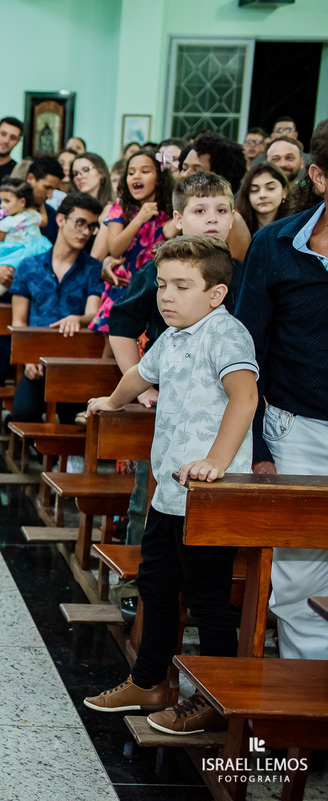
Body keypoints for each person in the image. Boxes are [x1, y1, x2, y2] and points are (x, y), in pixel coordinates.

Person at [85, 235, 256, 736]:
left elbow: (244, 398)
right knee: (157, 586)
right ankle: (149, 681)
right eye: (162, 285)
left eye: (182, 286)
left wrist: (216, 461)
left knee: (208, 601)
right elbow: (140, 374)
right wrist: (113, 401)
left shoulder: (226, 334)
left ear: (216, 294)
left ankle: (214, 699)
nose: (166, 296)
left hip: (210, 496)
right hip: (170, 493)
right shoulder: (173, 336)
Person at [108, 172, 243, 574]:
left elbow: (245, 388)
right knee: (148, 509)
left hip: (217, 435)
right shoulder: (162, 282)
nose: (212, 219)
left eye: (221, 210)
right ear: (179, 218)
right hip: (171, 425)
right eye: (200, 211)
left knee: (205, 558)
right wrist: (129, 393)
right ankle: (134, 584)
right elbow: (125, 333)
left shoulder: (238, 281)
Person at [235, 118, 328, 661]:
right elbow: (246, 352)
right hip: (298, 431)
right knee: (297, 584)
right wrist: (259, 446)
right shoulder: (275, 244)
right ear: (319, 177)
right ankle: (305, 694)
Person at [6, 193, 104, 426]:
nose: (85, 232)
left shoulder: (93, 268)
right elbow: (19, 321)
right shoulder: (29, 265)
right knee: (24, 415)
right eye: (80, 223)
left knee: (76, 422)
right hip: (36, 359)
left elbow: (93, 314)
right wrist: (28, 358)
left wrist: (77, 319)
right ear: (61, 219)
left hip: (75, 364)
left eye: (91, 227)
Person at [89, 149, 176, 331]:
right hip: (124, 287)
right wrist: (139, 219)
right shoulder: (120, 208)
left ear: (159, 178)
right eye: (131, 172)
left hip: (156, 289)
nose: (136, 176)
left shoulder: (171, 211)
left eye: (145, 171)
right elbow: (115, 249)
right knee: (114, 338)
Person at [0, 178, 50, 270]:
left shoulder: (7, 222)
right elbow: (44, 221)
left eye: (7, 201)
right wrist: (42, 205)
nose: (1, 205)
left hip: (15, 257)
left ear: (22, 202)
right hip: (37, 251)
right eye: (1, 201)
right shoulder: (33, 215)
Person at [236, 161, 291, 235]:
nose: (262, 195)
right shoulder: (236, 227)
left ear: (284, 192)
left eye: (271, 188)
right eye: (254, 190)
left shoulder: (295, 225)